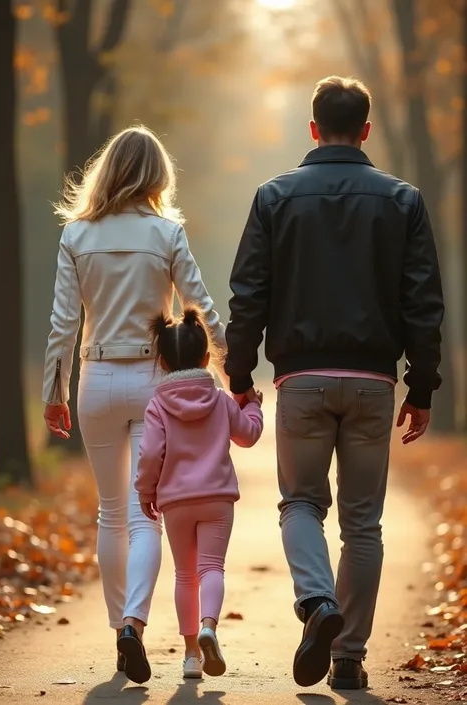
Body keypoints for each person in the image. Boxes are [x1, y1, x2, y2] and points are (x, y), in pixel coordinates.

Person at [224, 76, 444, 690]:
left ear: (313, 128)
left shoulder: (274, 197)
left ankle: (317, 603)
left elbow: (249, 295)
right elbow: (423, 303)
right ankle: (348, 657)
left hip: (302, 381)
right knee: (363, 522)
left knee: (300, 503)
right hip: (375, 382)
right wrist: (421, 387)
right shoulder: (405, 200)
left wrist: (239, 375)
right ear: (367, 130)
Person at [42, 126, 227, 685]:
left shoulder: (76, 235)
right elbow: (200, 302)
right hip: (153, 381)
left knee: (110, 511)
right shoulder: (166, 233)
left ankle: (118, 626)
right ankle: (134, 624)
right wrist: (232, 365)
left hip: (96, 376)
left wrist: (52, 390)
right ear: (157, 175)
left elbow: (62, 323)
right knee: (147, 513)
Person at [135, 306, 263, 680]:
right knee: (212, 568)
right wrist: (252, 403)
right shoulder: (221, 399)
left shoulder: (158, 404)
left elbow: (150, 454)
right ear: (207, 358)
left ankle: (192, 655)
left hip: (175, 501)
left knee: (184, 575)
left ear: (161, 361)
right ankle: (209, 627)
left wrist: (146, 491)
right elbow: (248, 434)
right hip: (217, 498)